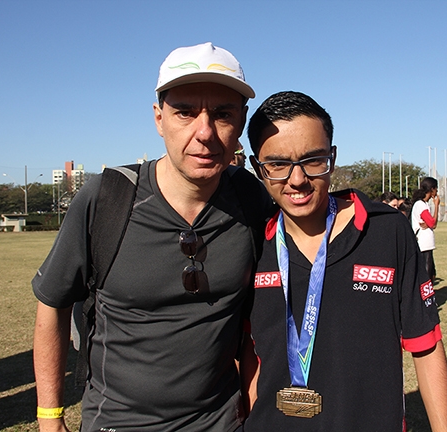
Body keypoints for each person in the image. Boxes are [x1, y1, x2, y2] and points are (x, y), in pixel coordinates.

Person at [32, 42, 273, 432]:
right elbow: (53, 305)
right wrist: (49, 417)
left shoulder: (252, 199)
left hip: (221, 423)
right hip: (117, 422)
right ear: (159, 119)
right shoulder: (107, 197)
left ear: (241, 121)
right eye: (185, 113)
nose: (205, 133)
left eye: (222, 114)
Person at [241, 91, 447, 431]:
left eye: (313, 160)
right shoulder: (250, 243)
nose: (297, 180)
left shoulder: (388, 232)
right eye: (278, 165)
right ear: (257, 168)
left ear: (333, 157)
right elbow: (249, 356)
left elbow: (426, 347)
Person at [411, 177, 440, 283]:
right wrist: (437, 205)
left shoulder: (424, 204)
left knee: (431, 271)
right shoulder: (421, 204)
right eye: (436, 189)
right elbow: (433, 223)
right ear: (432, 189)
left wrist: (429, 224)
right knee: (427, 270)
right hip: (424, 243)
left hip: (426, 243)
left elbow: (430, 223)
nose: (436, 191)